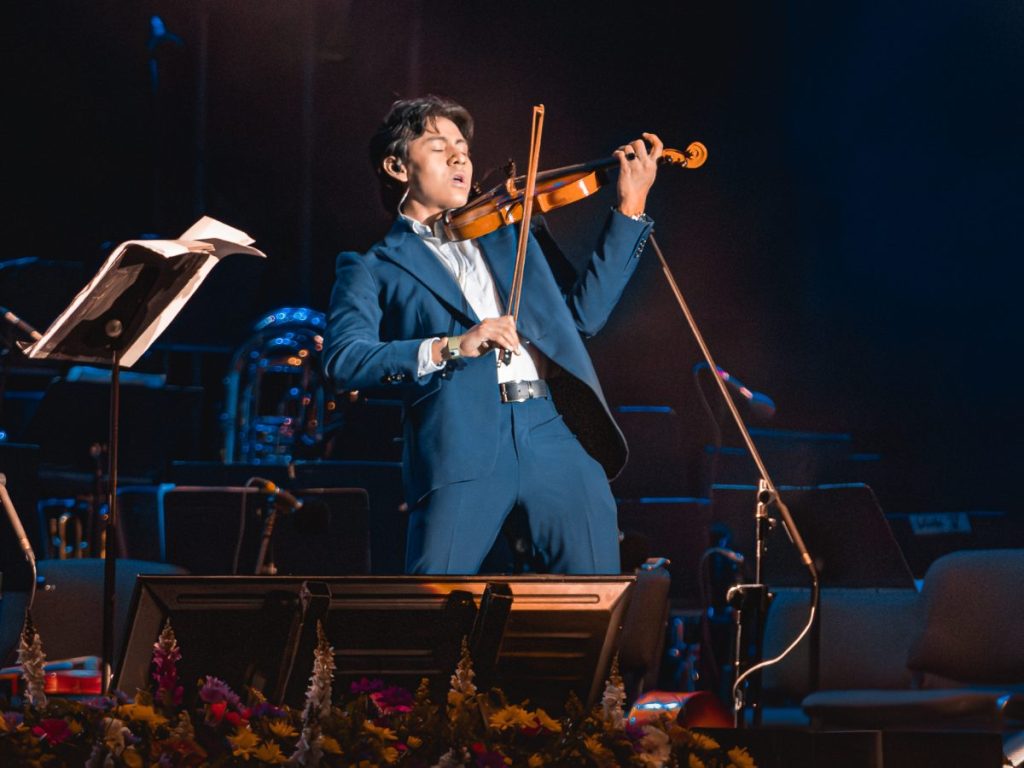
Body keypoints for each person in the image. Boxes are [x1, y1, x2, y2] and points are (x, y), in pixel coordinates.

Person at [324, 95, 660, 575]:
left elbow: (582, 317)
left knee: (596, 597)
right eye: (440, 147)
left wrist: (630, 208)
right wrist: (453, 346)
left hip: (553, 429)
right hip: (461, 441)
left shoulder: (511, 230)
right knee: (432, 601)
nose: (461, 157)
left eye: (463, 147)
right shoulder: (371, 265)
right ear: (397, 166)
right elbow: (345, 360)